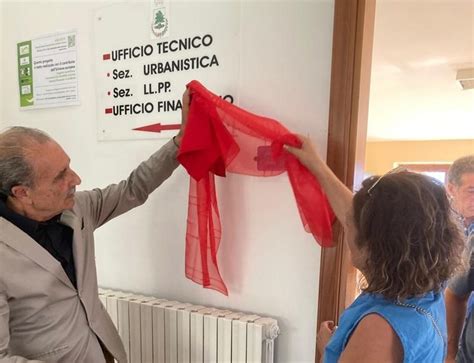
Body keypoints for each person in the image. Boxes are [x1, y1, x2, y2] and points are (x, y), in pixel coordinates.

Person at [0, 90, 189, 362]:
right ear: (22, 193)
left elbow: (133, 189)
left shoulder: (78, 208)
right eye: (60, 176)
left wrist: (179, 143)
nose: (76, 178)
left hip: (104, 352)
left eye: (69, 167)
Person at [285, 137, 465, 362]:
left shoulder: (378, 330)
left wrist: (328, 350)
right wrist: (316, 166)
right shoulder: (427, 290)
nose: (347, 227)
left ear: (375, 245)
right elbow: (355, 214)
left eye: (352, 225)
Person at [444, 155, 474, 363]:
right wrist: (450, 354)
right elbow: (455, 294)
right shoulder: (435, 222)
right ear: (451, 189)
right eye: (471, 191)